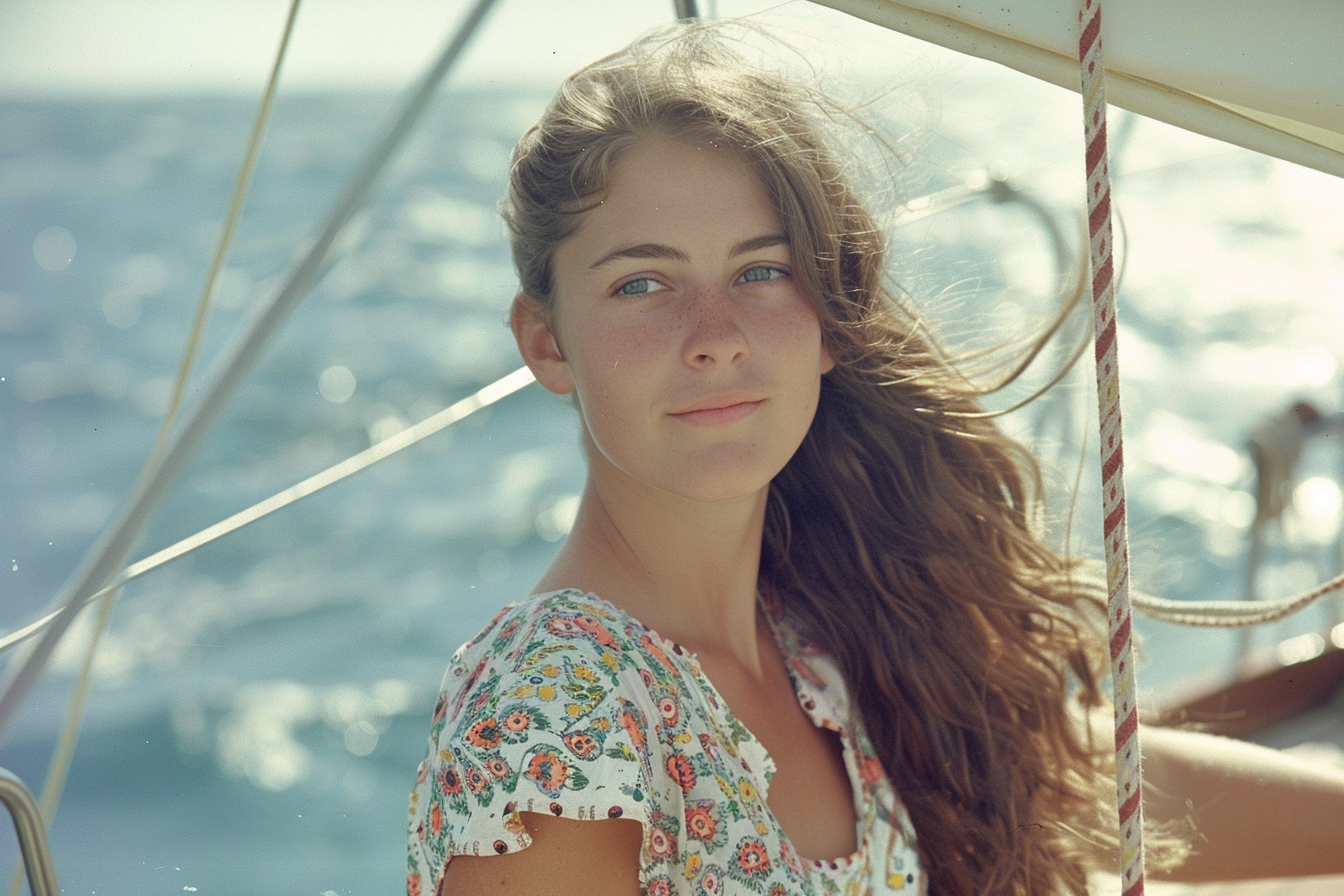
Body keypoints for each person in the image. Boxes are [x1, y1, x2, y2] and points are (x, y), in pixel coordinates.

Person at [406, 22, 1344, 896]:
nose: (716, 337)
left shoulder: (816, 631)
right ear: (547, 343)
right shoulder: (558, 706)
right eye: (642, 283)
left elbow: (1071, 775)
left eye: (761, 271)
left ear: (827, 320)